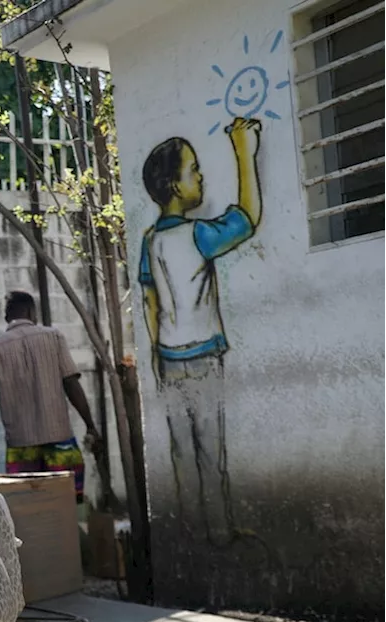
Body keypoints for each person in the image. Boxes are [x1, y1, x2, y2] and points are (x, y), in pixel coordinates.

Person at [139, 118, 262, 543]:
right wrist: (244, 152)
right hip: (204, 356)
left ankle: (189, 533)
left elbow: (151, 300)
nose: (201, 177)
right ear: (175, 186)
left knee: (181, 451)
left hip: (170, 359)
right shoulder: (197, 235)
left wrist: (155, 354)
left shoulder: (150, 240)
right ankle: (221, 533)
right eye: (194, 170)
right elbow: (247, 218)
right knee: (212, 451)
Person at [0, 292, 99, 502]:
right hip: (59, 437)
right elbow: (71, 383)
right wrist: (90, 425)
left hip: (20, 443)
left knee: (28, 505)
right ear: (31, 312)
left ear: (7, 317)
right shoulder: (54, 337)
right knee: (68, 502)